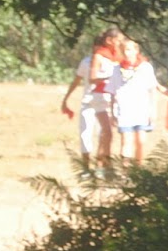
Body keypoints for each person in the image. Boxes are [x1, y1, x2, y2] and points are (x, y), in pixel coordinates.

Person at [59, 27, 123, 178]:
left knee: (105, 133)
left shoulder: (115, 59)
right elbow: (79, 80)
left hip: (106, 100)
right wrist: (66, 99)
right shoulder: (88, 61)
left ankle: (103, 167)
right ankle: (86, 168)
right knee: (86, 133)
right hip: (90, 100)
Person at [111, 39, 162, 167]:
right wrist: (113, 112)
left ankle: (139, 168)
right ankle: (126, 171)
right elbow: (113, 92)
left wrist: (153, 110)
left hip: (141, 109)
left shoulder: (145, 67)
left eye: (129, 50)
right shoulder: (117, 69)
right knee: (126, 141)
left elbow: (152, 90)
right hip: (124, 109)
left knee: (141, 141)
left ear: (136, 50)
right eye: (124, 50)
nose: (127, 53)